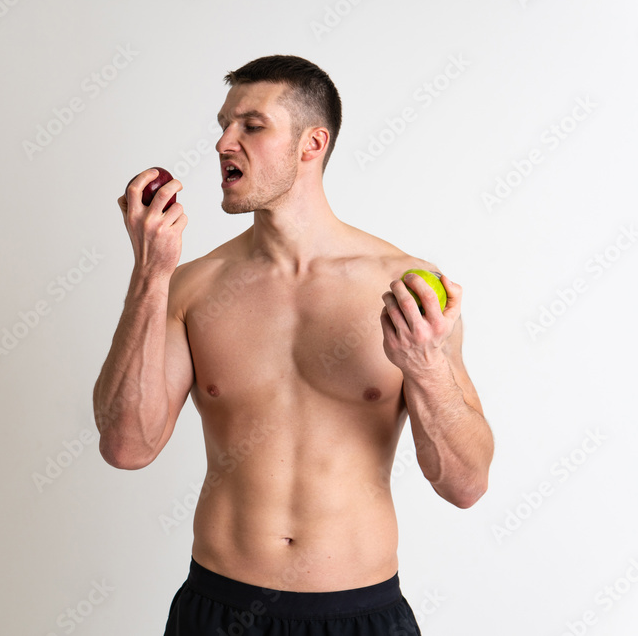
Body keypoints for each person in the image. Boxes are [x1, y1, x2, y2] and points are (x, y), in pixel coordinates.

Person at [91, 55, 493, 636]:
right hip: (218, 609)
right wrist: (150, 274)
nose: (223, 143)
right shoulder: (193, 287)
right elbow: (127, 446)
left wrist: (425, 365)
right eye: (224, 125)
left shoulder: (405, 288)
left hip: (359, 615)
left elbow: (465, 485)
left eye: (251, 126)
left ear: (312, 144)